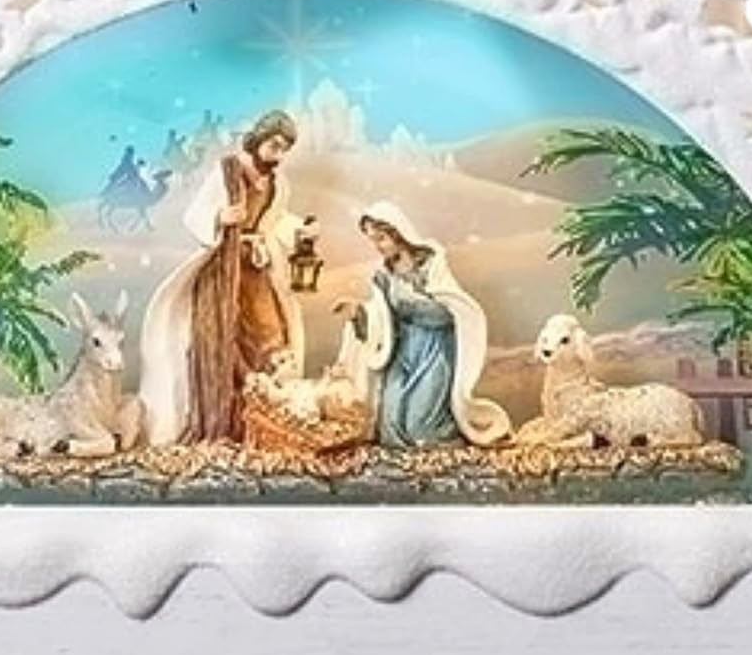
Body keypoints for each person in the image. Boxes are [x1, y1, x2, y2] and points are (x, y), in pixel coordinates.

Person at [138, 110, 317, 445]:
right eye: (274, 146)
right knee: (226, 336)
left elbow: (275, 220)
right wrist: (220, 216)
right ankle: (231, 419)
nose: (278, 156)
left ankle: (266, 414)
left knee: (270, 333)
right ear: (259, 139)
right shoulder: (227, 172)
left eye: (284, 150)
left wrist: (300, 231)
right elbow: (194, 215)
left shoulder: (277, 183)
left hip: (256, 268)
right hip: (223, 270)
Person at [332, 201, 511, 448]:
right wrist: (358, 312)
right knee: (390, 429)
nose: (377, 247)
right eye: (373, 241)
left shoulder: (430, 263)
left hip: (434, 350)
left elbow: (449, 308)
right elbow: (381, 316)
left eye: (381, 239)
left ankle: (450, 435)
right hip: (402, 350)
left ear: (398, 234)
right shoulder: (383, 276)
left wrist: (413, 301)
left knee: (420, 430)